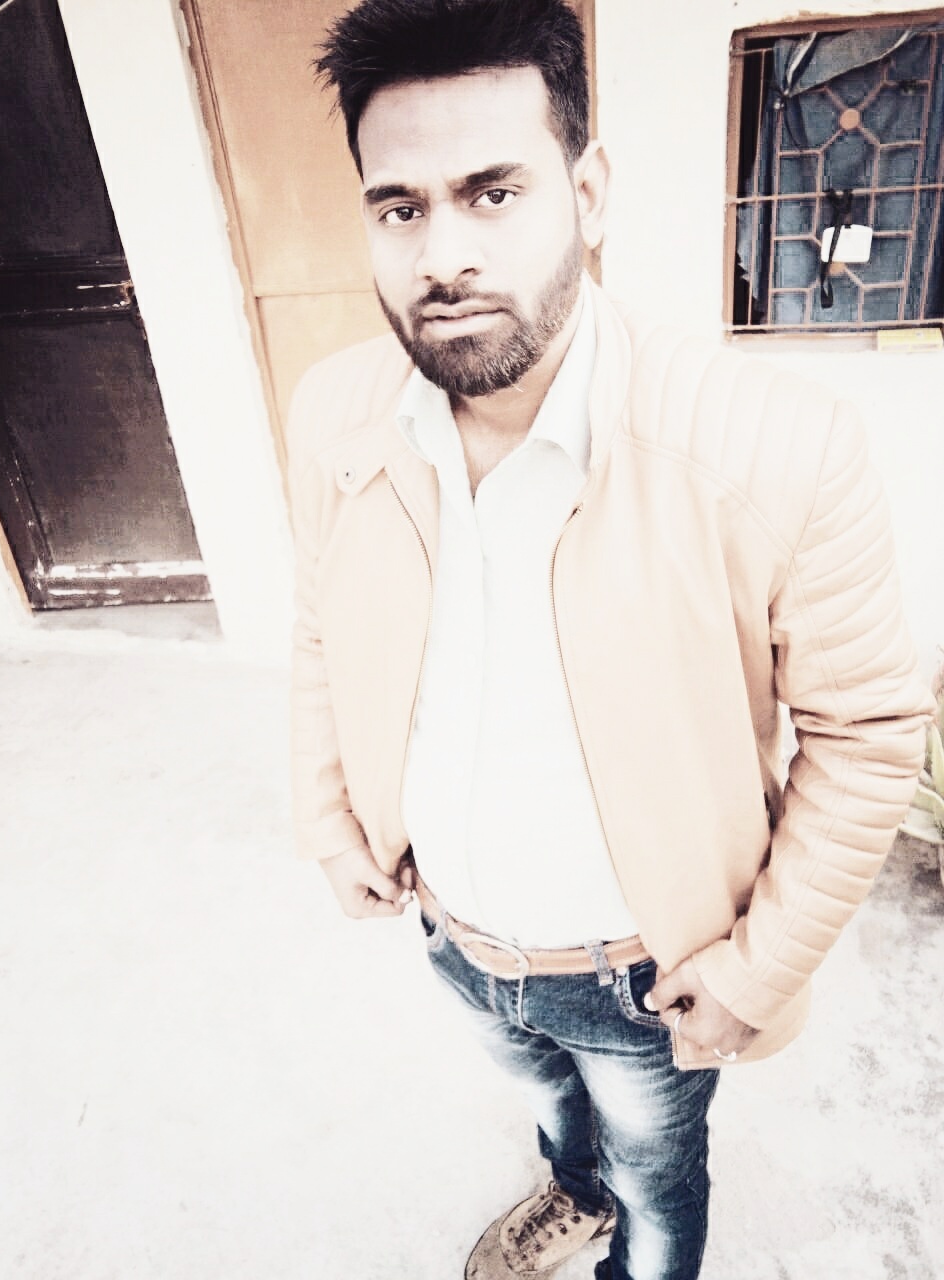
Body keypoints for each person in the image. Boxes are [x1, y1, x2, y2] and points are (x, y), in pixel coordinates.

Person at [288, 2, 933, 1278]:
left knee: (657, 1165)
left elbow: (867, 734)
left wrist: (759, 967)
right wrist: (330, 813)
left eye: (492, 193)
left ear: (587, 194)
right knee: (548, 1105)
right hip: (453, 931)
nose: (442, 256)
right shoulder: (336, 411)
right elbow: (322, 621)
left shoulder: (777, 443)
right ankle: (570, 1191)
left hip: (643, 968)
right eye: (400, 207)